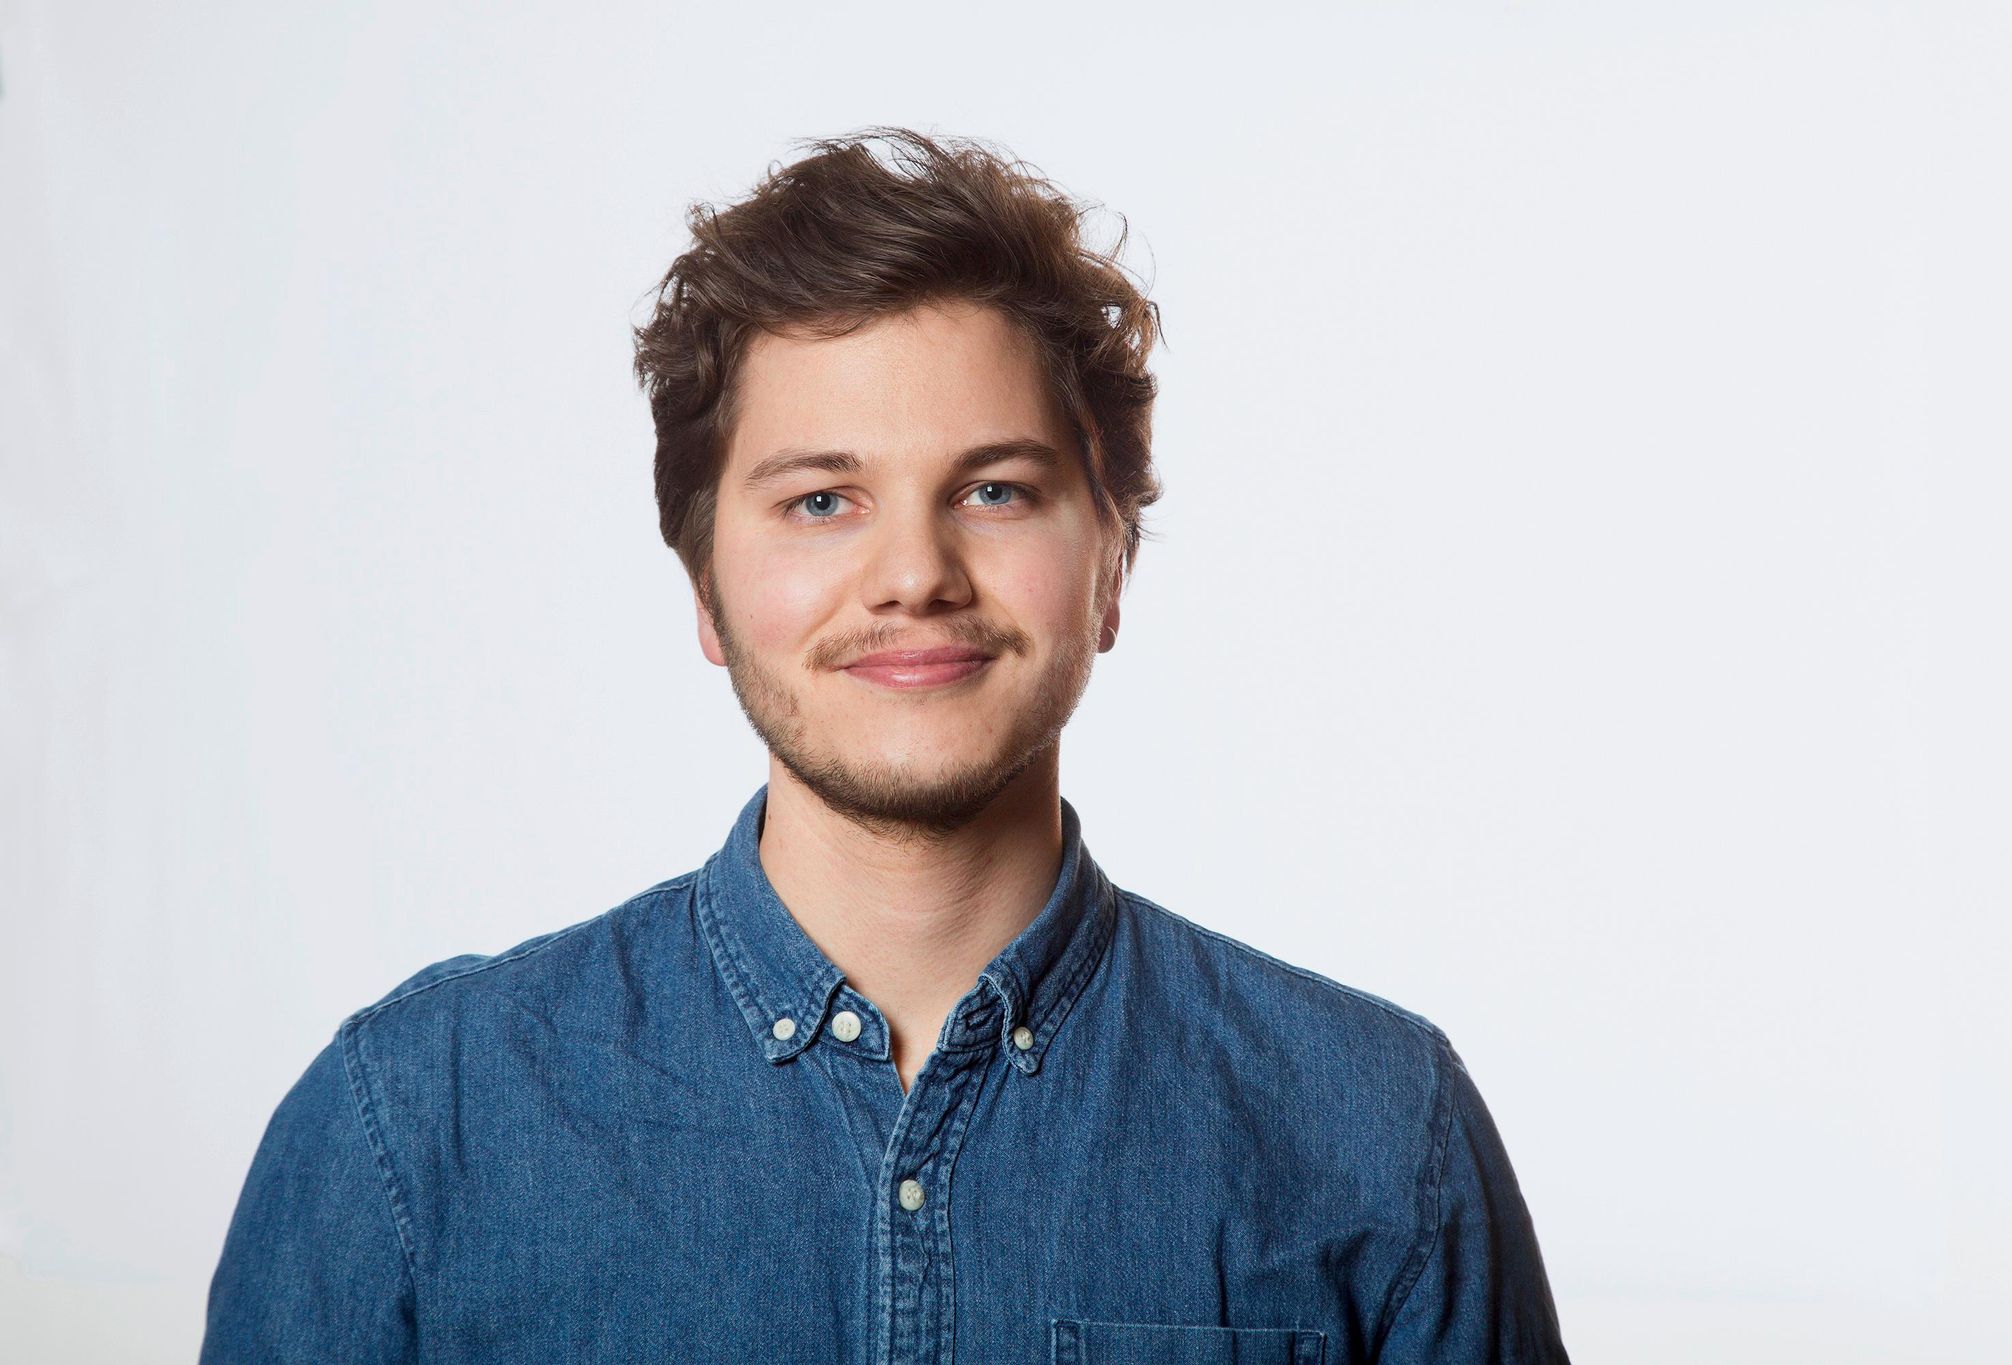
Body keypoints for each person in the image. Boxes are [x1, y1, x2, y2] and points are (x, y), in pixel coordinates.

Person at [201, 126, 1570, 1363]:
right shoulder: (412, 1125)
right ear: (705, 590)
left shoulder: (1376, 1134)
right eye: (821, 501)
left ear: (1112, 568)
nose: (915, 574)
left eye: (995, 489)